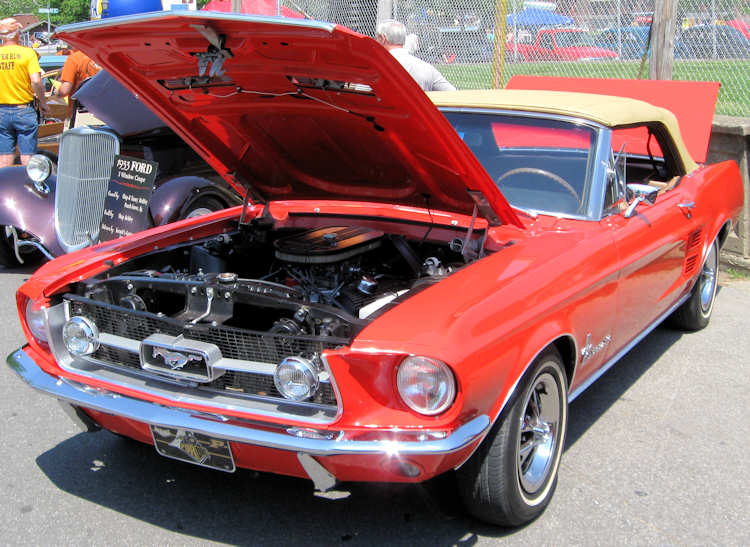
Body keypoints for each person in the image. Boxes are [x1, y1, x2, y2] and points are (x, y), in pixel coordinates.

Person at [0, 18, 49, 167]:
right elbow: (35, 81)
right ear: (17, 34)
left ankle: (4, 187)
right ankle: (28, 187)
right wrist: (43, 103)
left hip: (1, 110)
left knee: (4, 157)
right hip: (24, 109)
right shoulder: (28, 53)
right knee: (27, 157)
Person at [375, 19, 456, 92]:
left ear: (383, 38)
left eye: (377, 38)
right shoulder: (427, 68)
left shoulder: (376, 65)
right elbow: (452, 93)